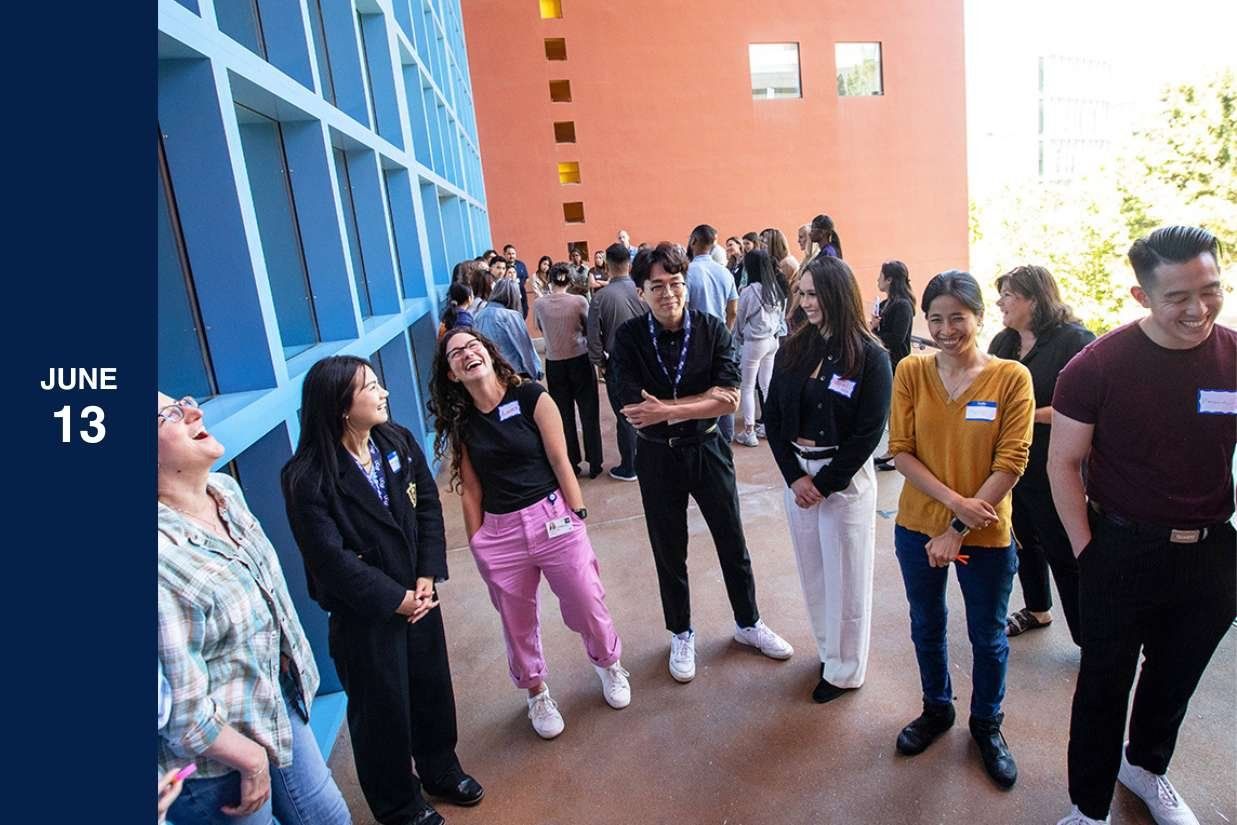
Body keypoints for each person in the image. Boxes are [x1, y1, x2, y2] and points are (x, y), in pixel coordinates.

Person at [1049, 226, 1234, 825]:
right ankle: (1088, 806)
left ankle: (1145, 767)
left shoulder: (1233, 356)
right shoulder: (1097, 367)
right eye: (1178, 296)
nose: (1198, 308)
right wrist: (1088, 552)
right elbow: (1064, 464)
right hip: (1120, 547)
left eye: (1210, 290)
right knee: (1104, 683)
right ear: (1140, 296)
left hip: (1210, 553)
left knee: (1173, 678)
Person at [281, 358, 482, 825]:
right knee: (381, 713)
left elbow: (428, 508)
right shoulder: (307, 477)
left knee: (431, 691)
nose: (383, 393)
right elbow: (330, 561)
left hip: (421, 598)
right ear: (341, 406)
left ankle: (441, 769)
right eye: (370, 387)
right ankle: (399, 805)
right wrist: (396, 599)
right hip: (367, 617)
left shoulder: (397, 442)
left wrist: (428, 576)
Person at [157, 393, 352, 825]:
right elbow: (182, 714)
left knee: (329, 818)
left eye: (185, 401)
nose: (194, 411)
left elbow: (269, 595)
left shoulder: (223, 491)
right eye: (170, 415)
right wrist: (250, 759)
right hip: (213, 760)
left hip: (272, 702)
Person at [429, 329, 630, 740]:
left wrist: (577, 514)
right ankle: (536, 691)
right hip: (500, 533)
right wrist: (478, 544)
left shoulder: (530, 396)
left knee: (585, 597)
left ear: (487, 351)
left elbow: (561, 458)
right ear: (451, 374)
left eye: (473, 346)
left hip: (553, 517)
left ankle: (608, 663)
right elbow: (470, 489)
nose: (468, 355)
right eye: (456, 354)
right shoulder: (463, 424)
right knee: (516, 621)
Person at [610, 242, 794, 683]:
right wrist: (699, 401)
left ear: (686, 286)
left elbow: (729, 400)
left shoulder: (712, 329)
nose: (668, 293)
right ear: (641, 292)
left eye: (675, 283)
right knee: (668, 548)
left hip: (708, 449)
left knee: (732, 538)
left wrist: (670, 409)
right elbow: (632, 408)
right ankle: (681, 631)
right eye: (657, 286)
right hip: (656, 456)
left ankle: (748, 623)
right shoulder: (630, 339)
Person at [887, 270, 1034, 790]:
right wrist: (952, 509)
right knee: (926, 623)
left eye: (957, 317)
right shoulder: (911, 370)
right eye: (936, 318)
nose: (946, 328)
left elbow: (1013, 459)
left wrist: (960, 527)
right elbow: (901, 450)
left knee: (988, 634)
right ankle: (937, 708)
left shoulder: (1011, 377)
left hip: (986, 536)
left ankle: (986, 724)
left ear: (978, 316)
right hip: (918, 529)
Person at [764, 256, 892, 703]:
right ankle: (827, 651)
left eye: (814, 293)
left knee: (848, 577)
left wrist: (824, 484)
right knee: (814, 572)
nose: (805, 302)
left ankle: (846, 670)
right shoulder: (795, 347)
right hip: (799, 476)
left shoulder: (872, 357)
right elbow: (773, 417)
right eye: (802, 293)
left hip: (845, 480)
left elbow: (868, 433)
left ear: (838, 294)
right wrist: (795, 477)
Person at [987, 265, 1094, 643]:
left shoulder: (1074, 341)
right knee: (1024, 541)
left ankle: (1088, 636)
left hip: (1057, 466)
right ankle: (1037, 609)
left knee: (1064, 551)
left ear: (1035, 299)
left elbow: (1086, 405)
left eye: (1009, 295)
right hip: (1013, 465)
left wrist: (1023, 416)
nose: (1000, 302)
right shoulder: (1003, 344)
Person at [536, 262, 604, 478]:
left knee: (563, 415)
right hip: (579, 358)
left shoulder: (539, 304)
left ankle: (572, 462)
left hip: (555, 361)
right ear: (571, 279)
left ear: (550, 279)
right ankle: (595, 462)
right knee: (589, 411)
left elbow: (540, 327)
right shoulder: (579, 301)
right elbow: (587, 326)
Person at [587, 242, 648, 482]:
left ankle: (630, 465)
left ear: (609, 266)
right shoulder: (643, 290)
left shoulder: (601, 298)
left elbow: (593, 336)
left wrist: (599, 362)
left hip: (619, 364)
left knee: (625, 415)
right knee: (648, 408)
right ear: (629, 264)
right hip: (647, 360)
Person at [686, 224, 740, 442]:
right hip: (721, 339)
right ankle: (725, 440)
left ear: (693, 241)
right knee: (725, 388)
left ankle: (703, 437)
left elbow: (685, 308)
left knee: (700, 392)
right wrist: (726, 332)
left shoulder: (687, 272)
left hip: (695, 341)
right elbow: (733, 309)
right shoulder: (725, 272)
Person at [732, 250, 787, 447]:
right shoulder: (775, 289)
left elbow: (740, 319)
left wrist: (737, 338)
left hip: (754, 342)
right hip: (772, 341)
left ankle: (749, 432)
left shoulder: (748, 292)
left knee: (747, 387)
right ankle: (770, 426)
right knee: (767, 385)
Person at [872, 260, 916, 470]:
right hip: (886, 361)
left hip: (897, 363)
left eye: (881, 276)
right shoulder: (885, 304)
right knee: (891, 408)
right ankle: (894, 448)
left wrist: (877, 331)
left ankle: (896, 449)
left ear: (889, 279)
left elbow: (897, 338)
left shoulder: (903, 305)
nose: (877, 280)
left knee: (896, 408)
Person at [474, 278, 542, 380]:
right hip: (514, 372)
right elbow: (524, 348)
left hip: (491, 372)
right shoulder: (511, 316)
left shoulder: (478, 316)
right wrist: (535, 372)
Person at [502, 244, 530, 317]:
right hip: (508, 295)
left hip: (521, 293)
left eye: (513, 253)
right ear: (504, 254)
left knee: (524, 311)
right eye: (509, 254)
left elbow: (526, 278)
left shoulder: (521, 265)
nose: (511, 256)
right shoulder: (502, 266)